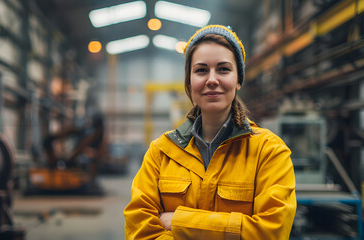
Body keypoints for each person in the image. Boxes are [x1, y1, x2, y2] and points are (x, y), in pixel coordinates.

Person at [124, 25, 296, 239]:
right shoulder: (161, 153)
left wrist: (178, 221)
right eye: (201, 70)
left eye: (223, 69)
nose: (212, 79)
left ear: (238, 80)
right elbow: (139, 231)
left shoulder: (269, 152)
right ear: (189, 81)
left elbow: (272, 232)